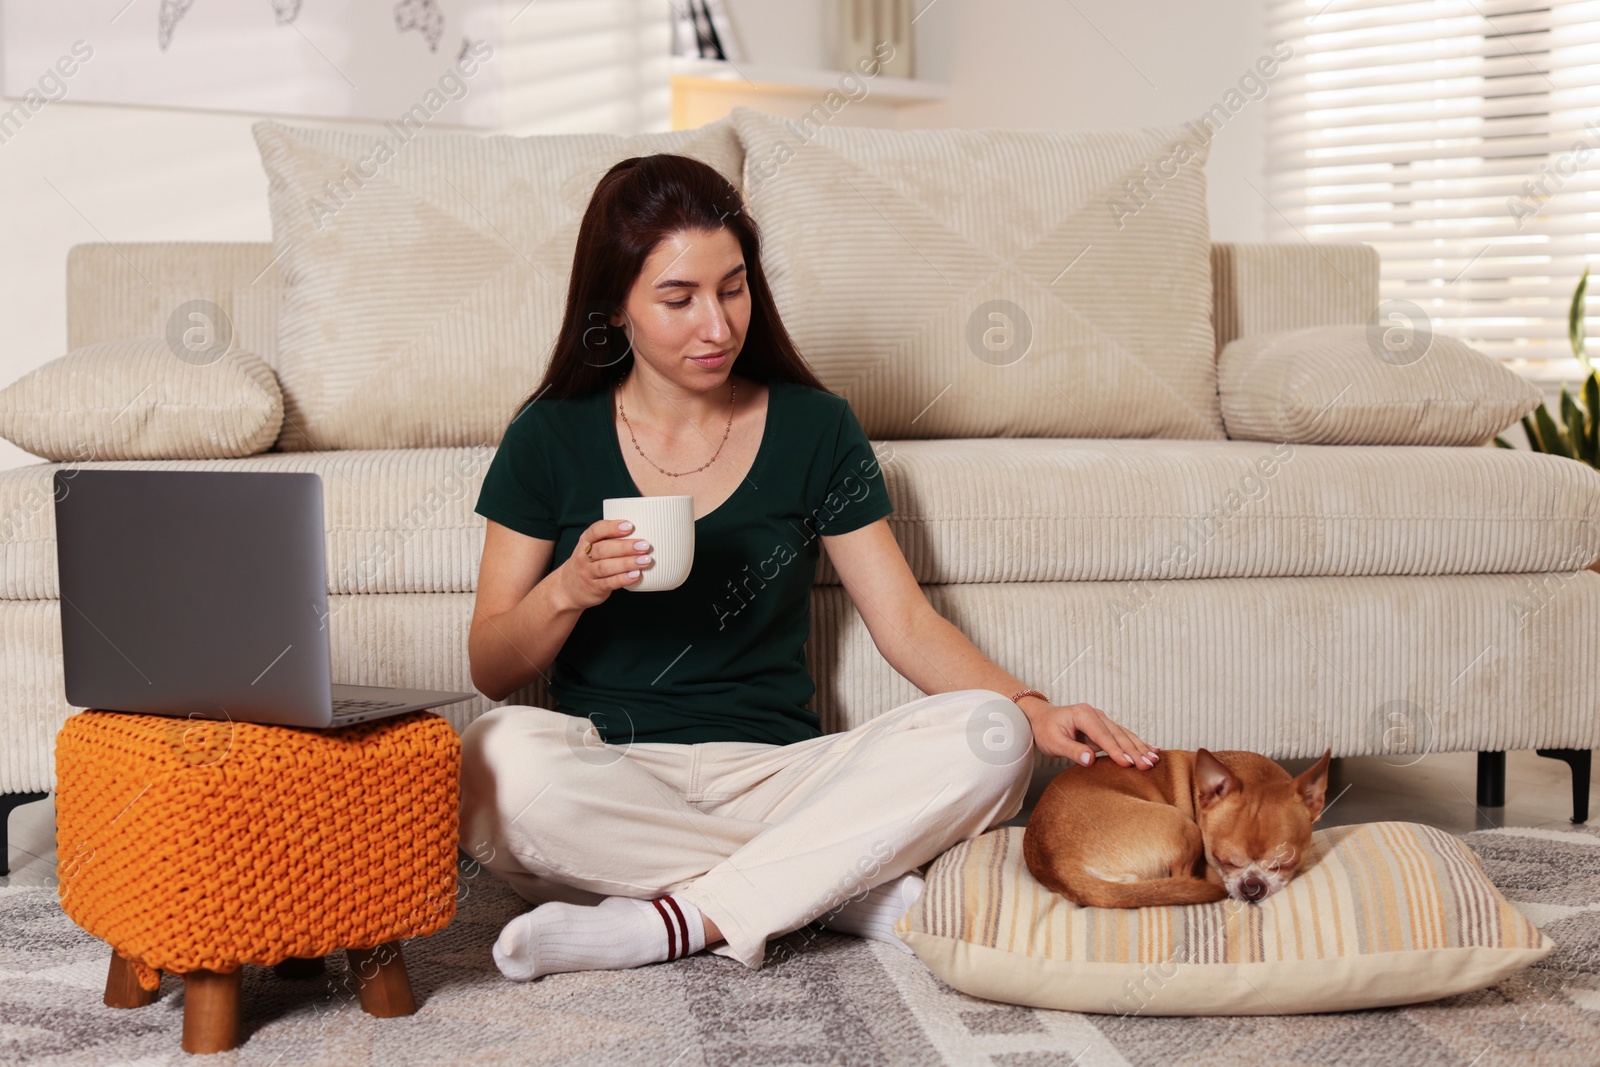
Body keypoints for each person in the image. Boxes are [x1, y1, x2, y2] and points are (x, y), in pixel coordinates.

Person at [459, 153, 1160, 982]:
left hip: (784, 773)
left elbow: (905, 623)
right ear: (615, 307)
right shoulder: (549, 435)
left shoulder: (816, 426)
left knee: (993, 738)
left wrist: (1034, 709)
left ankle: (671, 921)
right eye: (679, 299)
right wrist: (566, 589)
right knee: (494, 754)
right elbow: (493, 667)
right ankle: (828, 889)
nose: (717, 326)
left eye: (733, 287)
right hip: (617, 772)